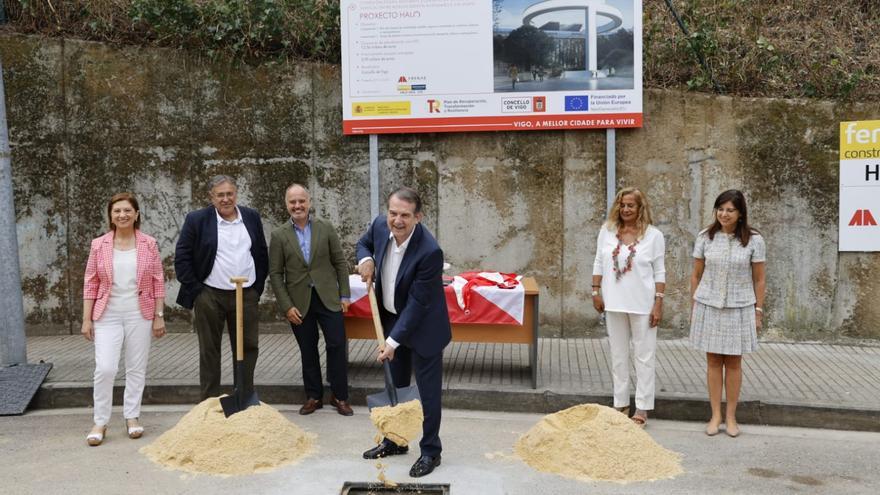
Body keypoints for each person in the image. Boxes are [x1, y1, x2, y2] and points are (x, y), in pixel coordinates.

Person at [356, 187, 451, 478]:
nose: (397, 220)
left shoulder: (429, 251)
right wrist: (366, 260)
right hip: (392, 321)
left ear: (418, 217)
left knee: (427, 393)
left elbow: (418, 304)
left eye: (405, 216)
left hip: (423, 328)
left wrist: (392, 341)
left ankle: (431, 451)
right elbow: (363, 243)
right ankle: (395, 441)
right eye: (393, 213)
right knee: (395, 388)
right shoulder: (378, 226)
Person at [81, 192, 166, 446]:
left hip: (139, 312)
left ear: (136, 214)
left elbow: (158, 281)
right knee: (105, 368)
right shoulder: (99, 244)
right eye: (117, 211)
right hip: (107, 314)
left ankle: (132, 417)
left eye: (127, 210)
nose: (122, 215)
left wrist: (158, 316)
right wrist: (87, 319)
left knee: (136, 368)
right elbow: (90, 283)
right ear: (110, 215)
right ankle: (100, 421)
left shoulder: (149, 243)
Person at [174, 175, 269, 400]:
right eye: (220, 195)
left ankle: (244, 398)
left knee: (247, 347)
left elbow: (261, 253)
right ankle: (208, 402)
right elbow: (182, 257)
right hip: (210, 294)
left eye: (230, 194)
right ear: (211, 197)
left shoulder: (251, 217)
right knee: (209, 350)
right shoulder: (197, 219)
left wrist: (257, 289)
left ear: (236, 194)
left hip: (246, 293)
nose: (226, 199)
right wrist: (197, 291)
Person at [268, 183, 353, 416]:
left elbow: (340, 263)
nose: (298, 206)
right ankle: (314, 396)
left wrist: (344, 294)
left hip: (328, 298)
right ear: (286, 205)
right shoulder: (278, 235)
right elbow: (275, 274)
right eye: (293, 202)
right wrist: (286, 306)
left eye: (301, 201)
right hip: (298, 303)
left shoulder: (325, 228)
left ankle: (340, 396)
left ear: (309, 202)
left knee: (336, 344)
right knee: (308, 348)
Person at [689, 189, 766, 438]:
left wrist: (758, 311)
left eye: (730, 210)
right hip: (709, 305)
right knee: (712, 361)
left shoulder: (754, 240)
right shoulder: (705, 237)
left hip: (740, 306)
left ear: (740, 213)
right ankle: (715, 415)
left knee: (733, 362)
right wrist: (694, 308)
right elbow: (696, 275)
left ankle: (731, 417)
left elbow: (760, 280)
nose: (724, 214)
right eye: (720, 209)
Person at [591, 187, 665, 427]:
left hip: (643, 304)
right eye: (622, 205)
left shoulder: (654, 236)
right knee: (618, 355)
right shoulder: (608, 231)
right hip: (614, 302)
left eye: (630, 205)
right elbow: (599, 261)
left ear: (640, 207)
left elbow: (660, 271)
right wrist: (595, 290)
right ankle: (620, 404)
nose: (625, 210)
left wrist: (658, 303)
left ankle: (642, 408)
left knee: (644, 356)